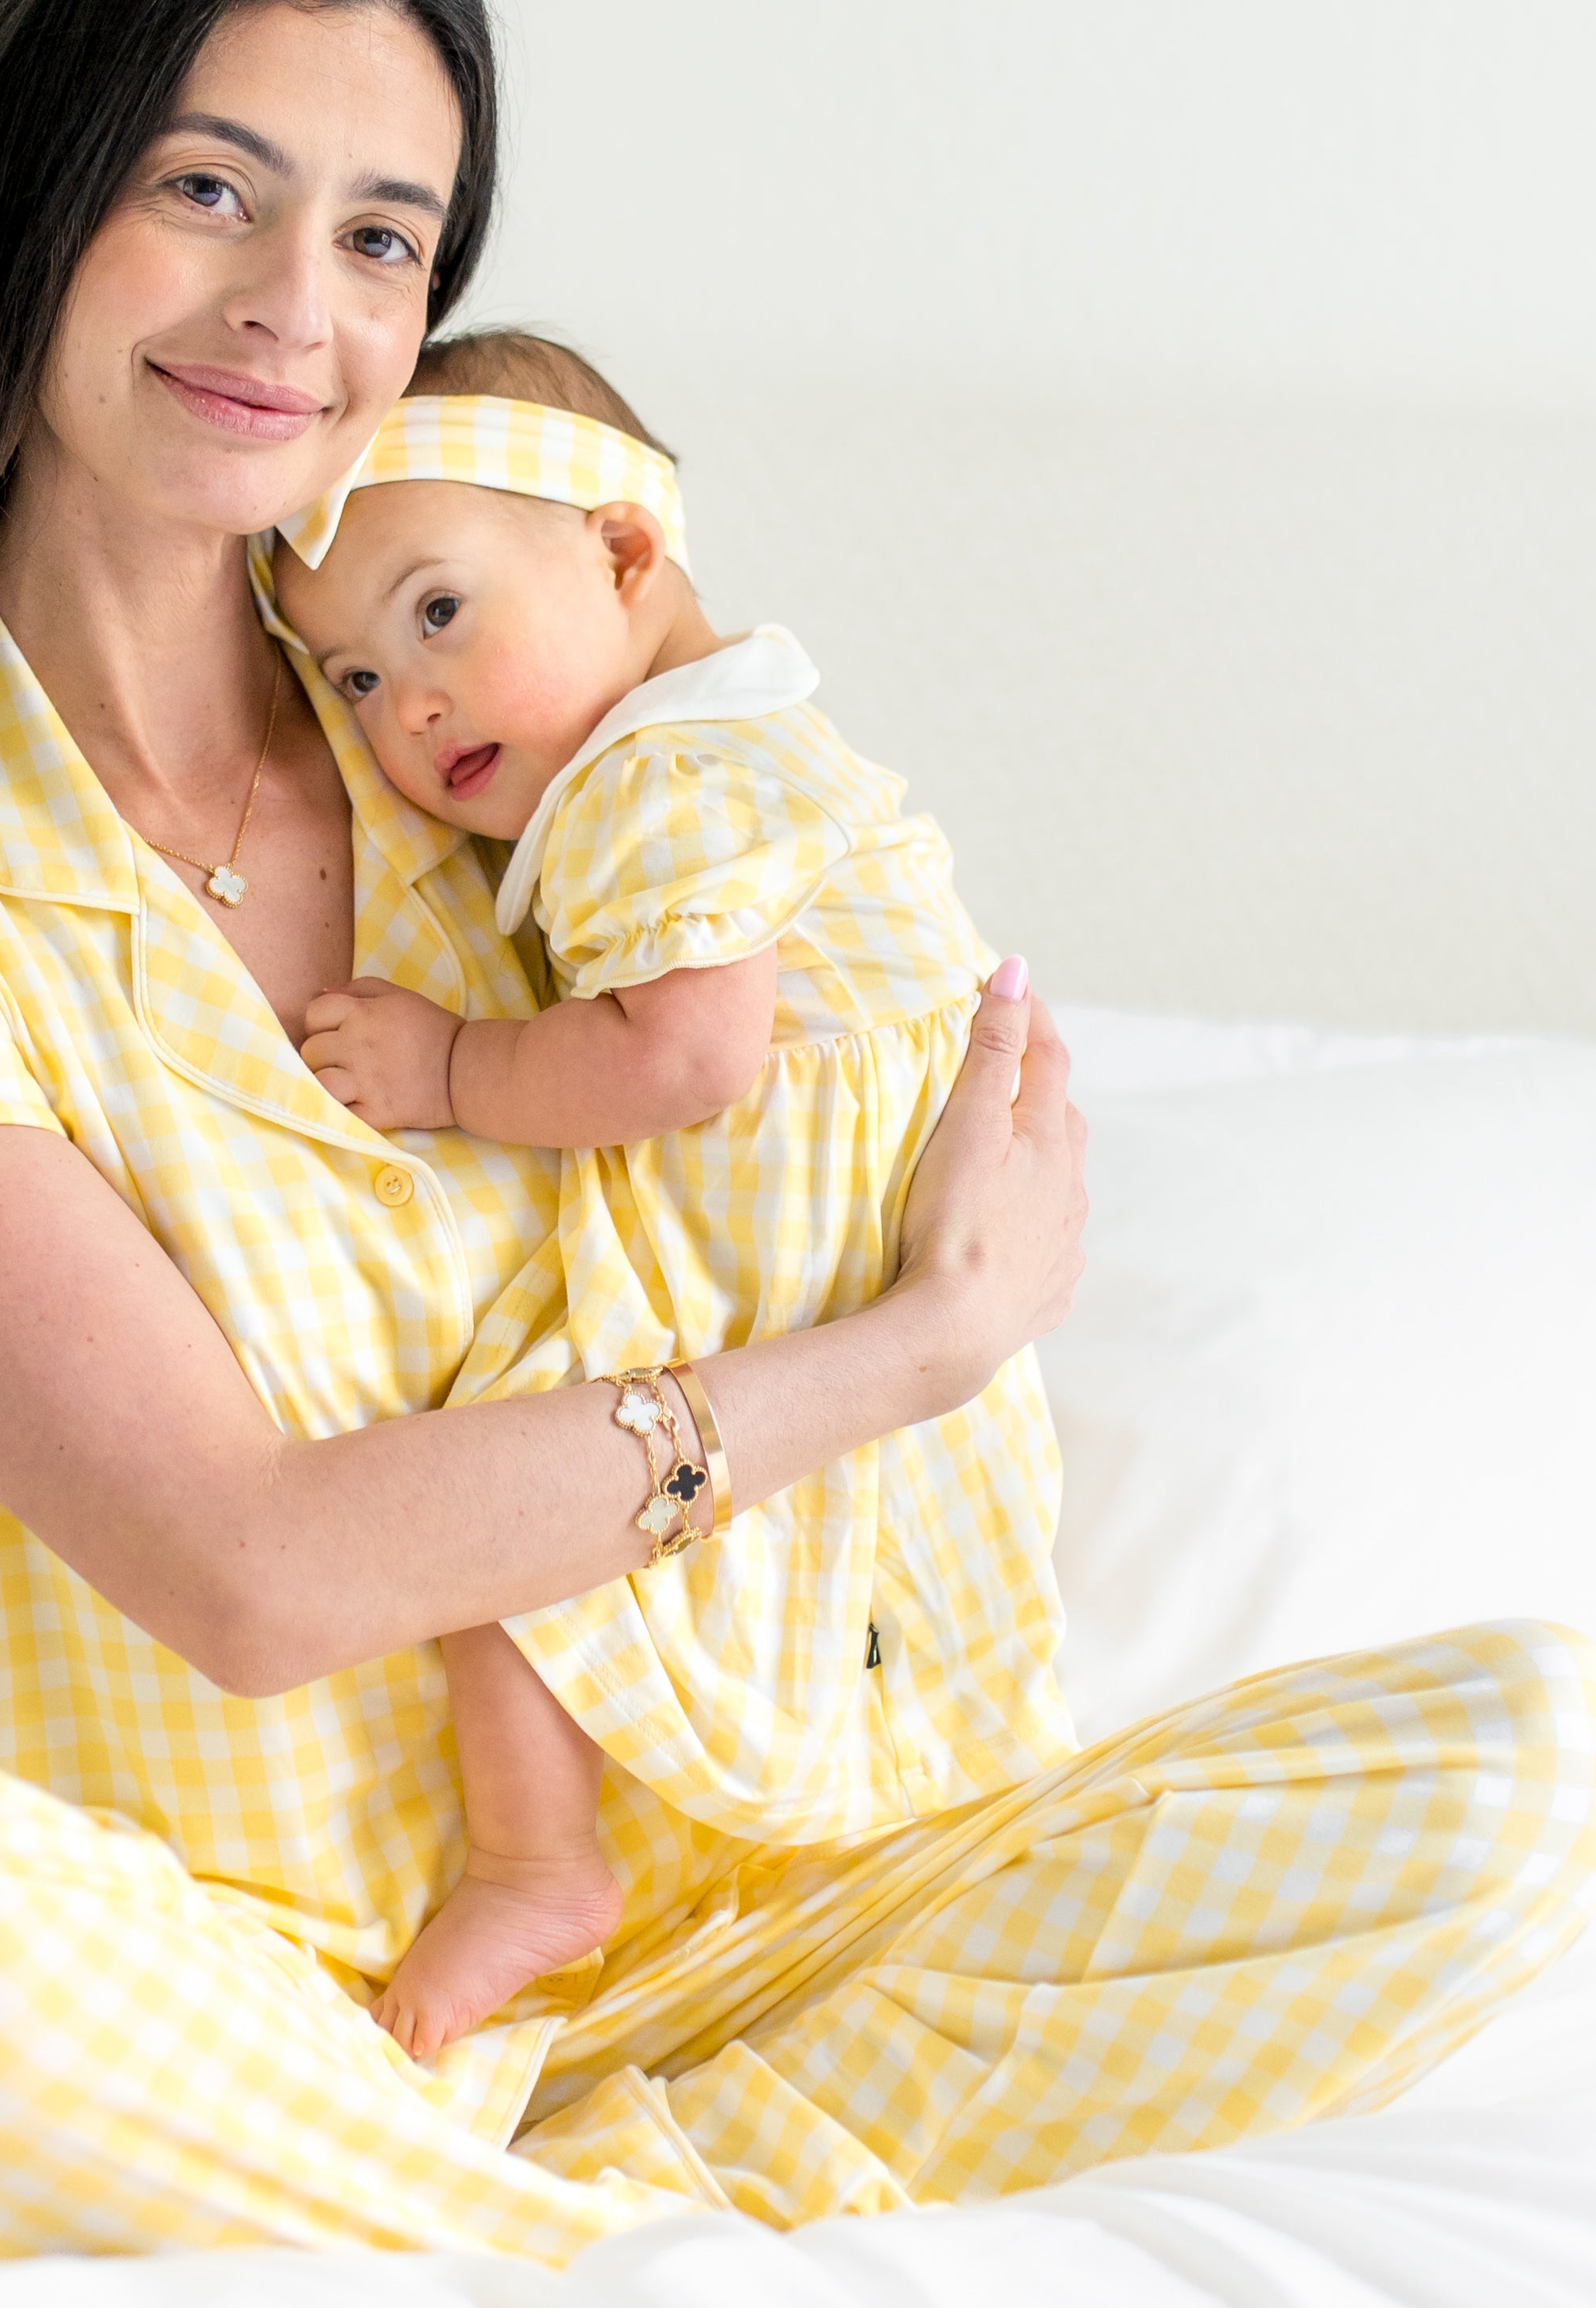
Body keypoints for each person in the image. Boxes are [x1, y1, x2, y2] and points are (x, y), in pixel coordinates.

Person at [0, 0, 1596, 2266]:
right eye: (207, 190)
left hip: (771, 1920)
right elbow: (250, 1573)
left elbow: (815, 999)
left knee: (1541, 1760)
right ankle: (582, 2229)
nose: (295, 309)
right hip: (242, 1998)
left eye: (382, 239)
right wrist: (920, 1347)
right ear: (24, 203)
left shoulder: (485, 719)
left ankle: (551, 2218)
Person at [275, 328, 1038, 2059]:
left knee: (510, 1481)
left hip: (790, 1241)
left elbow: (686, 1053)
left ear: (622, 550)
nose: (407, 705)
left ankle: (537, 1861)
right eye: (352, 678)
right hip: (865, 1240)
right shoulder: (738, 735)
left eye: (437, 613)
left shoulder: (654, 778)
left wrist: (454, 1066)